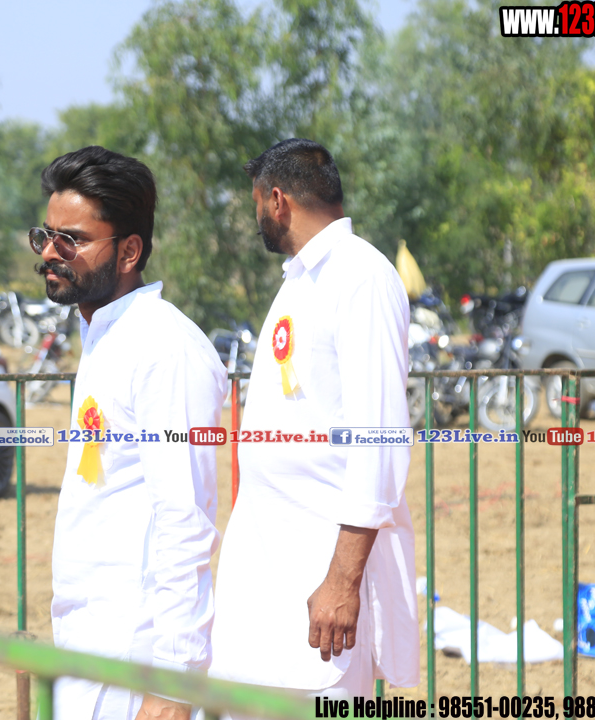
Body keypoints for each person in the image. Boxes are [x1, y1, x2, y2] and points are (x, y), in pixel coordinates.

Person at [209, 139, 419, 711]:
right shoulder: (300, 280)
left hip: (320, 580)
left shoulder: (361, 276)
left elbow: (381, 440)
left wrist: (342, 582)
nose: (257, 217)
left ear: (276, 200)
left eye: (256, 204)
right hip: (267, 572)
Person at [33, 146, 227, 720]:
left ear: (129, 250)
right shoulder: (104, 335)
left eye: (72, 240)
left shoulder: (165, 349)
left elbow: (186, 521)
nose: (51, 253)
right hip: (89, 637)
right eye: (46, 236)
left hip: (135, 651)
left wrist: (173, 686)